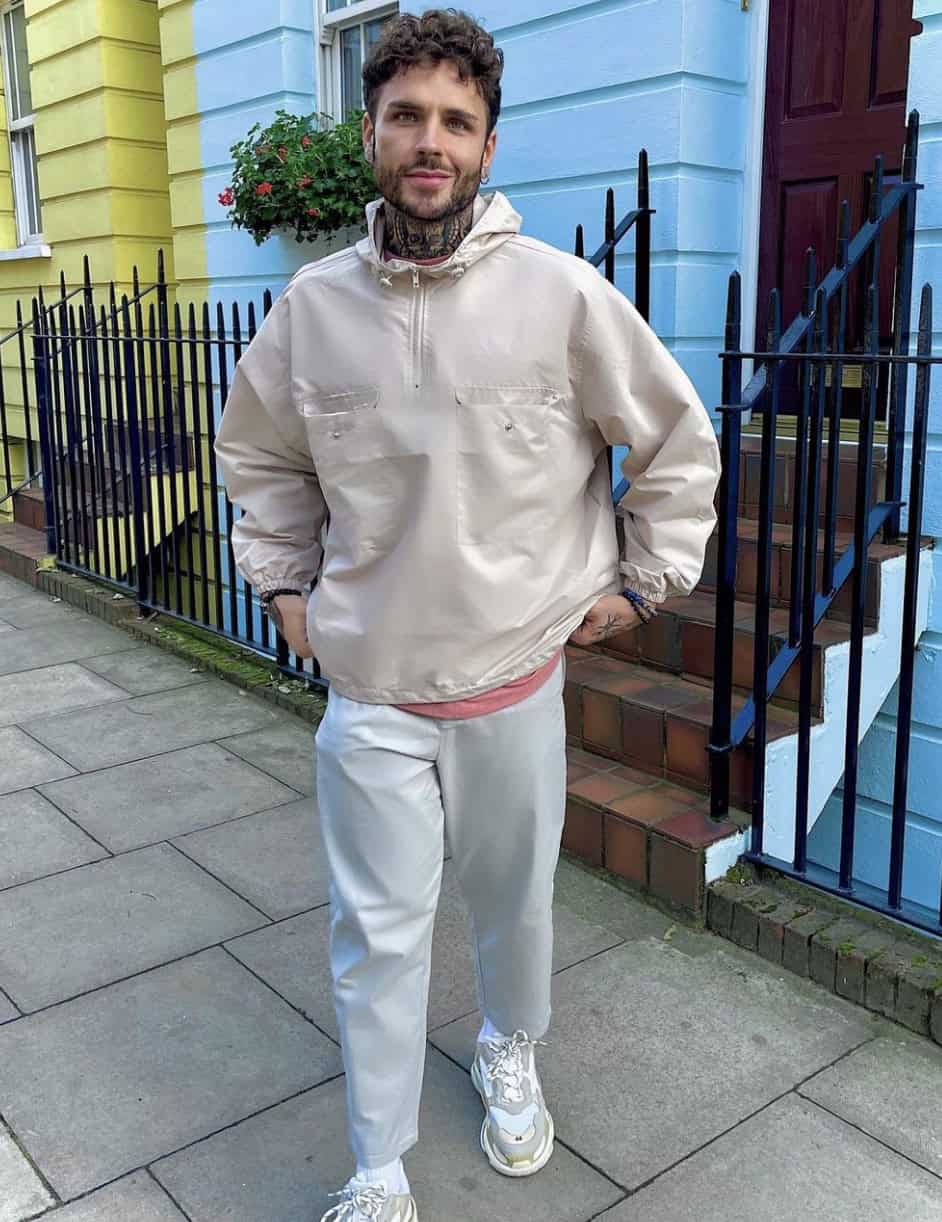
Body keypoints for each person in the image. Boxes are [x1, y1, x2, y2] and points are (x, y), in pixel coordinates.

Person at [215, 9, 721, 1220]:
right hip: (374, 688)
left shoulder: (562, 297)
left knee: (511, 905)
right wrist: (286, 591)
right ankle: (377, 1161)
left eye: (456, 120)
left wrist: (644, 580)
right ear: (374, 132)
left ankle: (509, 1048)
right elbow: (263, 461)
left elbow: (674, 442)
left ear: (489, 145)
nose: (428, 141)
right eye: (406, 117)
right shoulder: (312, 309)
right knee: (376, 936)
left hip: (514, 681)